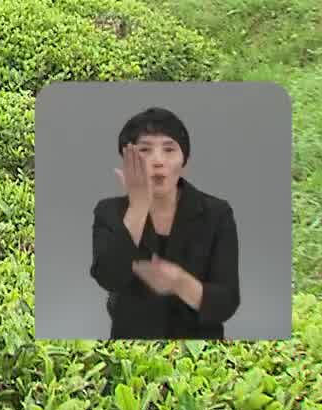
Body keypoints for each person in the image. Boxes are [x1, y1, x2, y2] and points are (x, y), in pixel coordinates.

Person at [89, 106, 240, 339]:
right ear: (128, 160)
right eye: (145, 150)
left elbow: (227, 302)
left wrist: (180, 282)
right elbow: (109, 277)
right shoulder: (109, 212)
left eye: (169, 149)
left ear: (184, 160)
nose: (158, 160)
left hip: (200, 352)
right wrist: (138, 207)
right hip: (132, 352)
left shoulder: (217, 214)